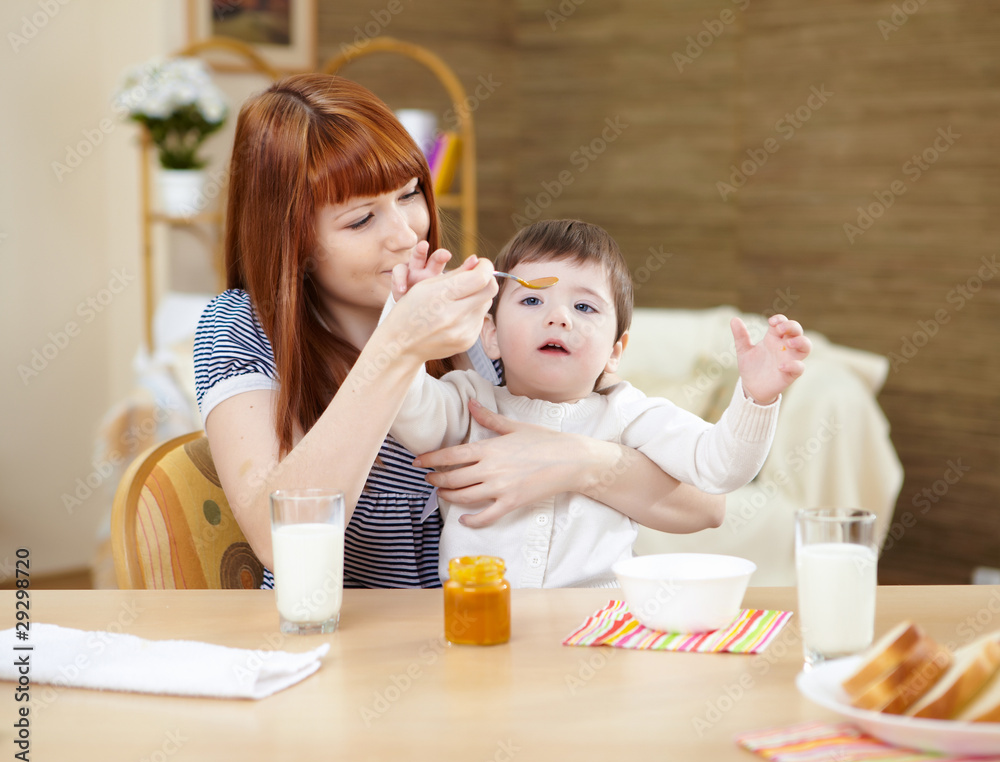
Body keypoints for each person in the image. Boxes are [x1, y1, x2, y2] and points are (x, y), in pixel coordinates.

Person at [193, 73, 723, 589]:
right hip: (342, 649)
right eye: (360, 221)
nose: (405, 235)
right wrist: (397, 347)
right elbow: (281, 540)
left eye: (408, 195)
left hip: (476, 640)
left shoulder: (475, 321)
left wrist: (579, 461)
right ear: (293, 240)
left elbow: (706, 501)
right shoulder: (239, 327)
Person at [387, 219, 811, 588]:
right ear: (491, 334)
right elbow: (405, 411)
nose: (559, 317)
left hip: (598, 622)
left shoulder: (628, 413)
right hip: (480, 616)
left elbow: (721, 469)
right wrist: (405, 316)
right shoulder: (467, 400)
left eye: (584, 306)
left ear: (614, 351)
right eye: (532, 299)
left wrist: (757, 396)